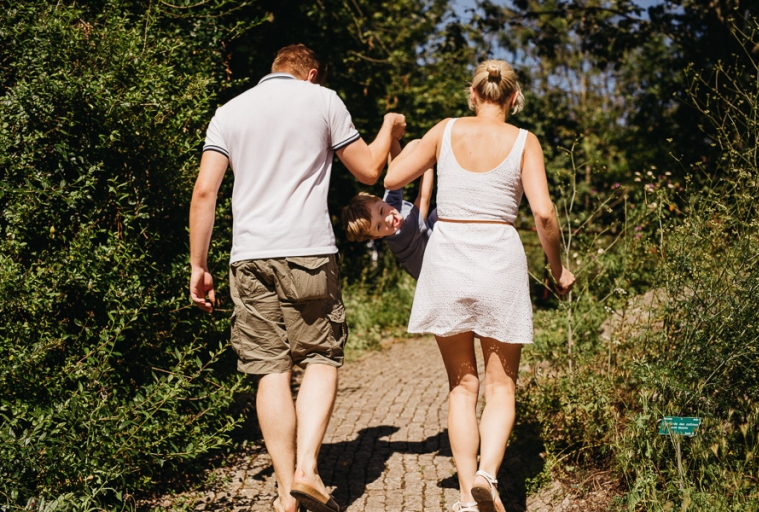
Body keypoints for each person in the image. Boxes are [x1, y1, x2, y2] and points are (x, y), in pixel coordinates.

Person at [189, 44, 405, 512]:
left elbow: (205, 191)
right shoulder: (323, 99)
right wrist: (389, 126)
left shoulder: (229, 112)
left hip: (249, 257)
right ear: (310, 74)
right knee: (322, 358)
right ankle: (308, 468)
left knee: (270, 370)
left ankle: (287, 491)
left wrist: (198, 265)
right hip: (309, 252)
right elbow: (369, 168)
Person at [384, 60, 575, 512]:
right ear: (513, 98)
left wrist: (413, 145)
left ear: (473, 94)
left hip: (448, 258)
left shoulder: (445, 130)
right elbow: (544, 214)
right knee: (501, 385)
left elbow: (391, 179)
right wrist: (558, 268)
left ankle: (470, 495)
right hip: (499, 261)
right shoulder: (526, 141)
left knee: (461, 386)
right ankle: (490, 473)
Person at [341, 140, 436, 279]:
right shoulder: (403, 234)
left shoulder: (388, 203)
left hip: (430, 232)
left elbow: (395, 169)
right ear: (377, 236)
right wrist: (427, 158)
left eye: (381, 212)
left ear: (380, 200)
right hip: (433, 270)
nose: (388, 219)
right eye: (379, 226)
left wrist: (393, 137)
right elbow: (423, 197)